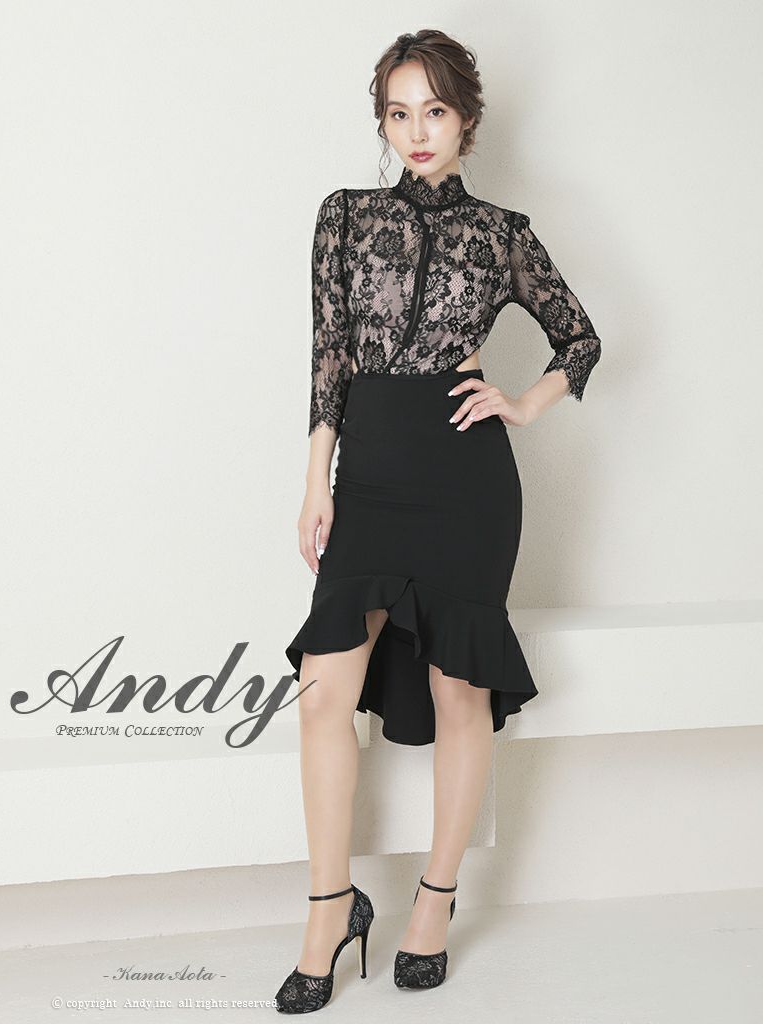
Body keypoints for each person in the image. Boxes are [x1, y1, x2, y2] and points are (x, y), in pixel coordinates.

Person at [274, 29, 602, 1013]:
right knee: (324, 695)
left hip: (466, 483)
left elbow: (579, 339)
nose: (417, 130)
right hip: (371, 475)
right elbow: (329, 357)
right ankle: (330, 909)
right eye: (399, 112)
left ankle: (434, 901)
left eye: (435, 111)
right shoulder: (344, 216)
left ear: (466, 120)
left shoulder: (502, 234)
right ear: (383, 122)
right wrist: (317, 479)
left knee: (461, 692)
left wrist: (522, 403)